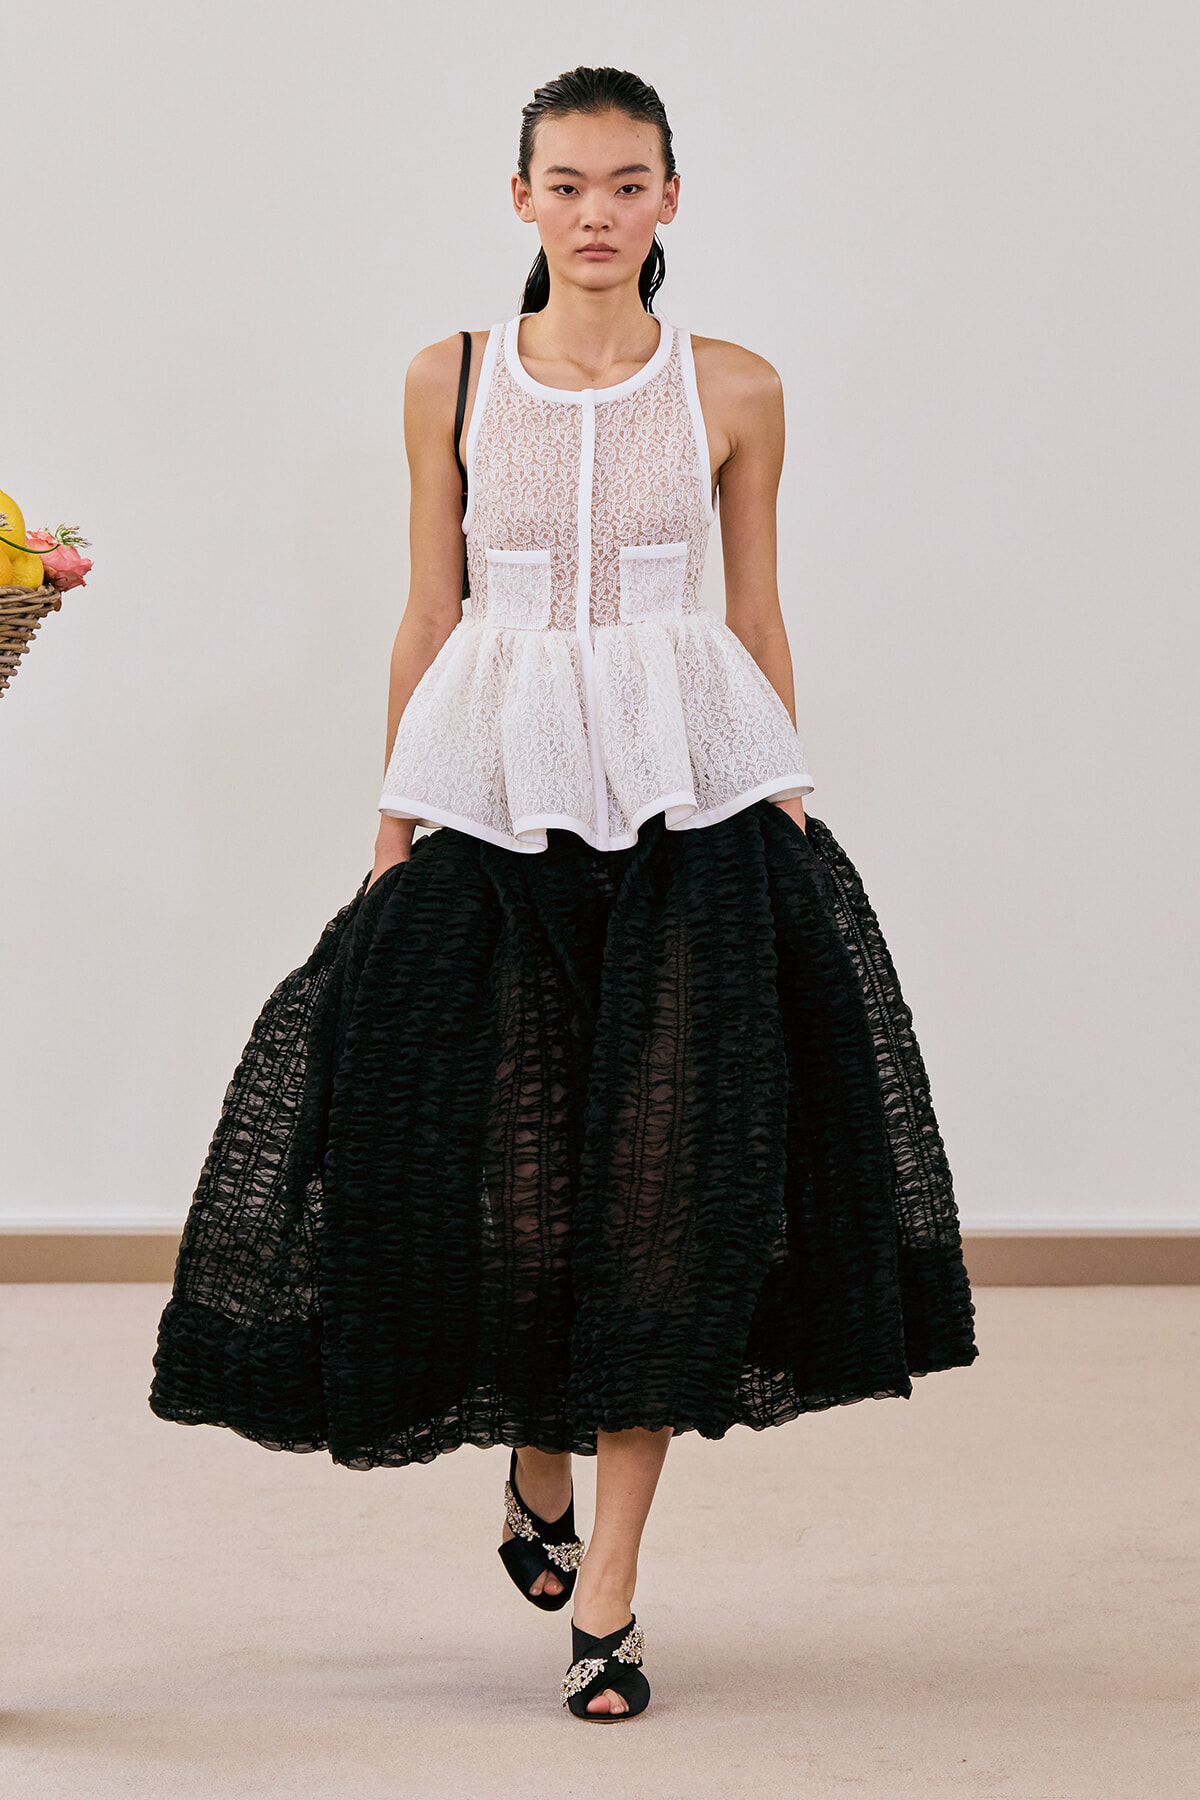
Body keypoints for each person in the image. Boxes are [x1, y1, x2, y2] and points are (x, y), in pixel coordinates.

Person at [150, 64, 978, 1723]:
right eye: (567, 183)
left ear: (673, 199)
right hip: (493, 807)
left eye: (627, 183)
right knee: (505, 1177)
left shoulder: (735, 387)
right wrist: (393, 824)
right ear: (519, 199)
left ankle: (608, 1594)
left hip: (697, 818)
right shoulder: (447, 377)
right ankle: (535, 1456)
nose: (596, 212)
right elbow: (426, 608)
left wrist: (790, 790)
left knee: (675, 1195)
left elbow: (755, 613)